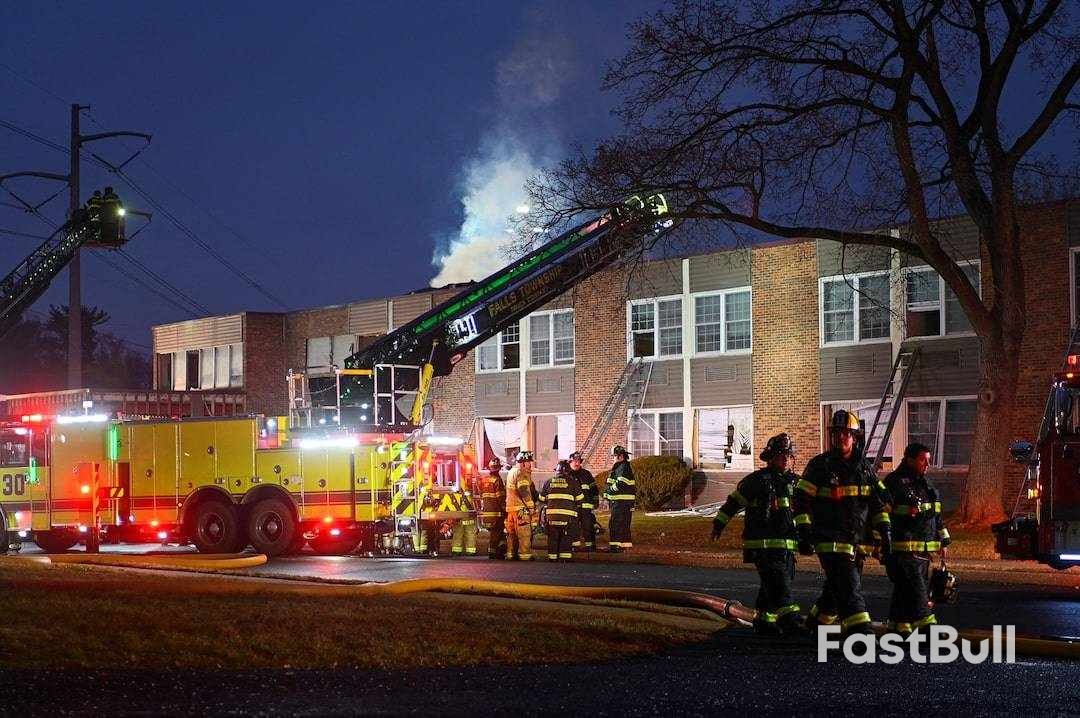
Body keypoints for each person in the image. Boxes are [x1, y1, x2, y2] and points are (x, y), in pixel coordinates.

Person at [794, 410, 891, 634]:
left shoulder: (864, 469)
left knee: (835, 590)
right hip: (829, 541)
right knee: (849, 589)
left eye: (845, 433)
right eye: (836, 433)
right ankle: (861, 634)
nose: (840, 437)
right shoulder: (820, 466)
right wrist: (804, 531)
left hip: (856, 543)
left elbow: (877, 505)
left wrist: (885, 533)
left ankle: (815, 625)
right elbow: (801, 501)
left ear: (854, 437)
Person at [711, 433, 802, 636]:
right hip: (763, 546)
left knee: (773, 583)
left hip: (787, 545)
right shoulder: (757, 481)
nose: (785, 459)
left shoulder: (796, 483)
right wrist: (719, 523)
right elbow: (733, 503)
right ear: (771, 457)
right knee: (780, 584)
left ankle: (764, 621)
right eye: (781, 455)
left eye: (788, 455)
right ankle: (791, 621)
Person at [883, 442, 952, 635]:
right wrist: (881, 542)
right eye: (923, 460)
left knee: (904, 591)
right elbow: (882, 515)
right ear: (910, 460)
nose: (927, 464)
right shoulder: (894, 483)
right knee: (918, 590)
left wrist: (944, 540)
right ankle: (928, 627)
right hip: (903, 551)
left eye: (929, 460)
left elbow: (936, 515)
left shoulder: (926, 485)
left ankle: (898, 630)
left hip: (923, 552)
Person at [540, 459, 584, 561]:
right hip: (567, 517)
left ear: (557, 471)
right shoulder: (573, 482)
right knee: (566, 537)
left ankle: (552, 557)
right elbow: (580, 499)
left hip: (551, 517)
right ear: (568, 471)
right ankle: (565, 558)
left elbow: (541, 499)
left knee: (553, 538)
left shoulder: (548, 482)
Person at [505, 451, 537, 561]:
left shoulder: (511, 472)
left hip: (511, 509)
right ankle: (525, 554)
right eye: (529, 462)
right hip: (521, 509)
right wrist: (531, 508)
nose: (530, 465)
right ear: (523, 463)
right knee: (525, 534)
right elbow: (524, 492)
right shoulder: (521, 473)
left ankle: (511, 554)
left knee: (512, 534)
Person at [604, 445, 636, 552]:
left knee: (615, 524)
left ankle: (616, 547)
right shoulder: (622, 467)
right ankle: (624, 546)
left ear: (620, 456)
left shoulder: (622, 467)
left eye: (614, 456)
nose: (613, 458)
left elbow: (620, 483)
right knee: (623, 524)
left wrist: (609, 491)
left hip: (620, 502)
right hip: (623, 502)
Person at [479, 457, 508, 559]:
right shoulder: (497, 480)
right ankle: (493, 552)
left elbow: (482, 495)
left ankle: (500, 551)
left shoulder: (484, 480)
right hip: (496, 513)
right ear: (498, 468)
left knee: (497, 534)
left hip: (487, 512)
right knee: (496, 533)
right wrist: (505, 509)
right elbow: (501, 497)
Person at [569, 451, 598, 552]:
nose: (577, 463)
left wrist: (595, 501)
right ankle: (574, 546)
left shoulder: (586, 474)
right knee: (573, 527)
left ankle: (590, 546)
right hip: (573, 507)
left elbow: (594, 488)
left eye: (578, 461)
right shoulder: (567, 475)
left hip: (586, 506)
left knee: (588, 526)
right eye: (574, 461)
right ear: (570, 462)